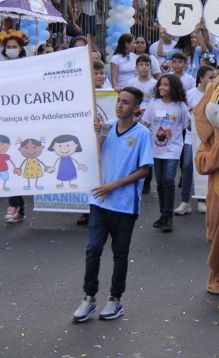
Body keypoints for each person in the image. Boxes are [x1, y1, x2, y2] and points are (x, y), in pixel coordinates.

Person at [71, 87, 153, 323]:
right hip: (99, 200)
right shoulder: (106, 125)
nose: (120, 105)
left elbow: (145, 169)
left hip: (125, 205)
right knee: (93, 250)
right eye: (118, 101)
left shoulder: (142, 134)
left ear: (136, 108)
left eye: (126, 102)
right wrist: (97, 137)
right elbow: (90, 154)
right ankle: (88, 298)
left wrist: (114, 185)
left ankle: (115, 299)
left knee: (119, 253)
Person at [140, 74, 189, 232]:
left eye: (166, 85)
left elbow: (188, 125)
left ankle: (168, 216)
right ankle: (163, 214)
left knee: (168, 180)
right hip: (156, 149)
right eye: (161, 85)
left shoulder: (180, 105)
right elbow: (145, 124)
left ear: (173, 87)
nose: (162, 87)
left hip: (173, 148)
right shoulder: (153, 103)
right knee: (160, 182)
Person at [175, 64, 216, 216]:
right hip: (191, 138)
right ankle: (185, 202)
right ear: (201, 78)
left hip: (208, 139)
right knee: (187, 167)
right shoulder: (190, 94)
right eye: (210, 77)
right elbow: (184, 115)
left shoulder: (215, 94)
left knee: (203, 167)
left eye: (215, 77)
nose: (213, 80)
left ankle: (202, 200)